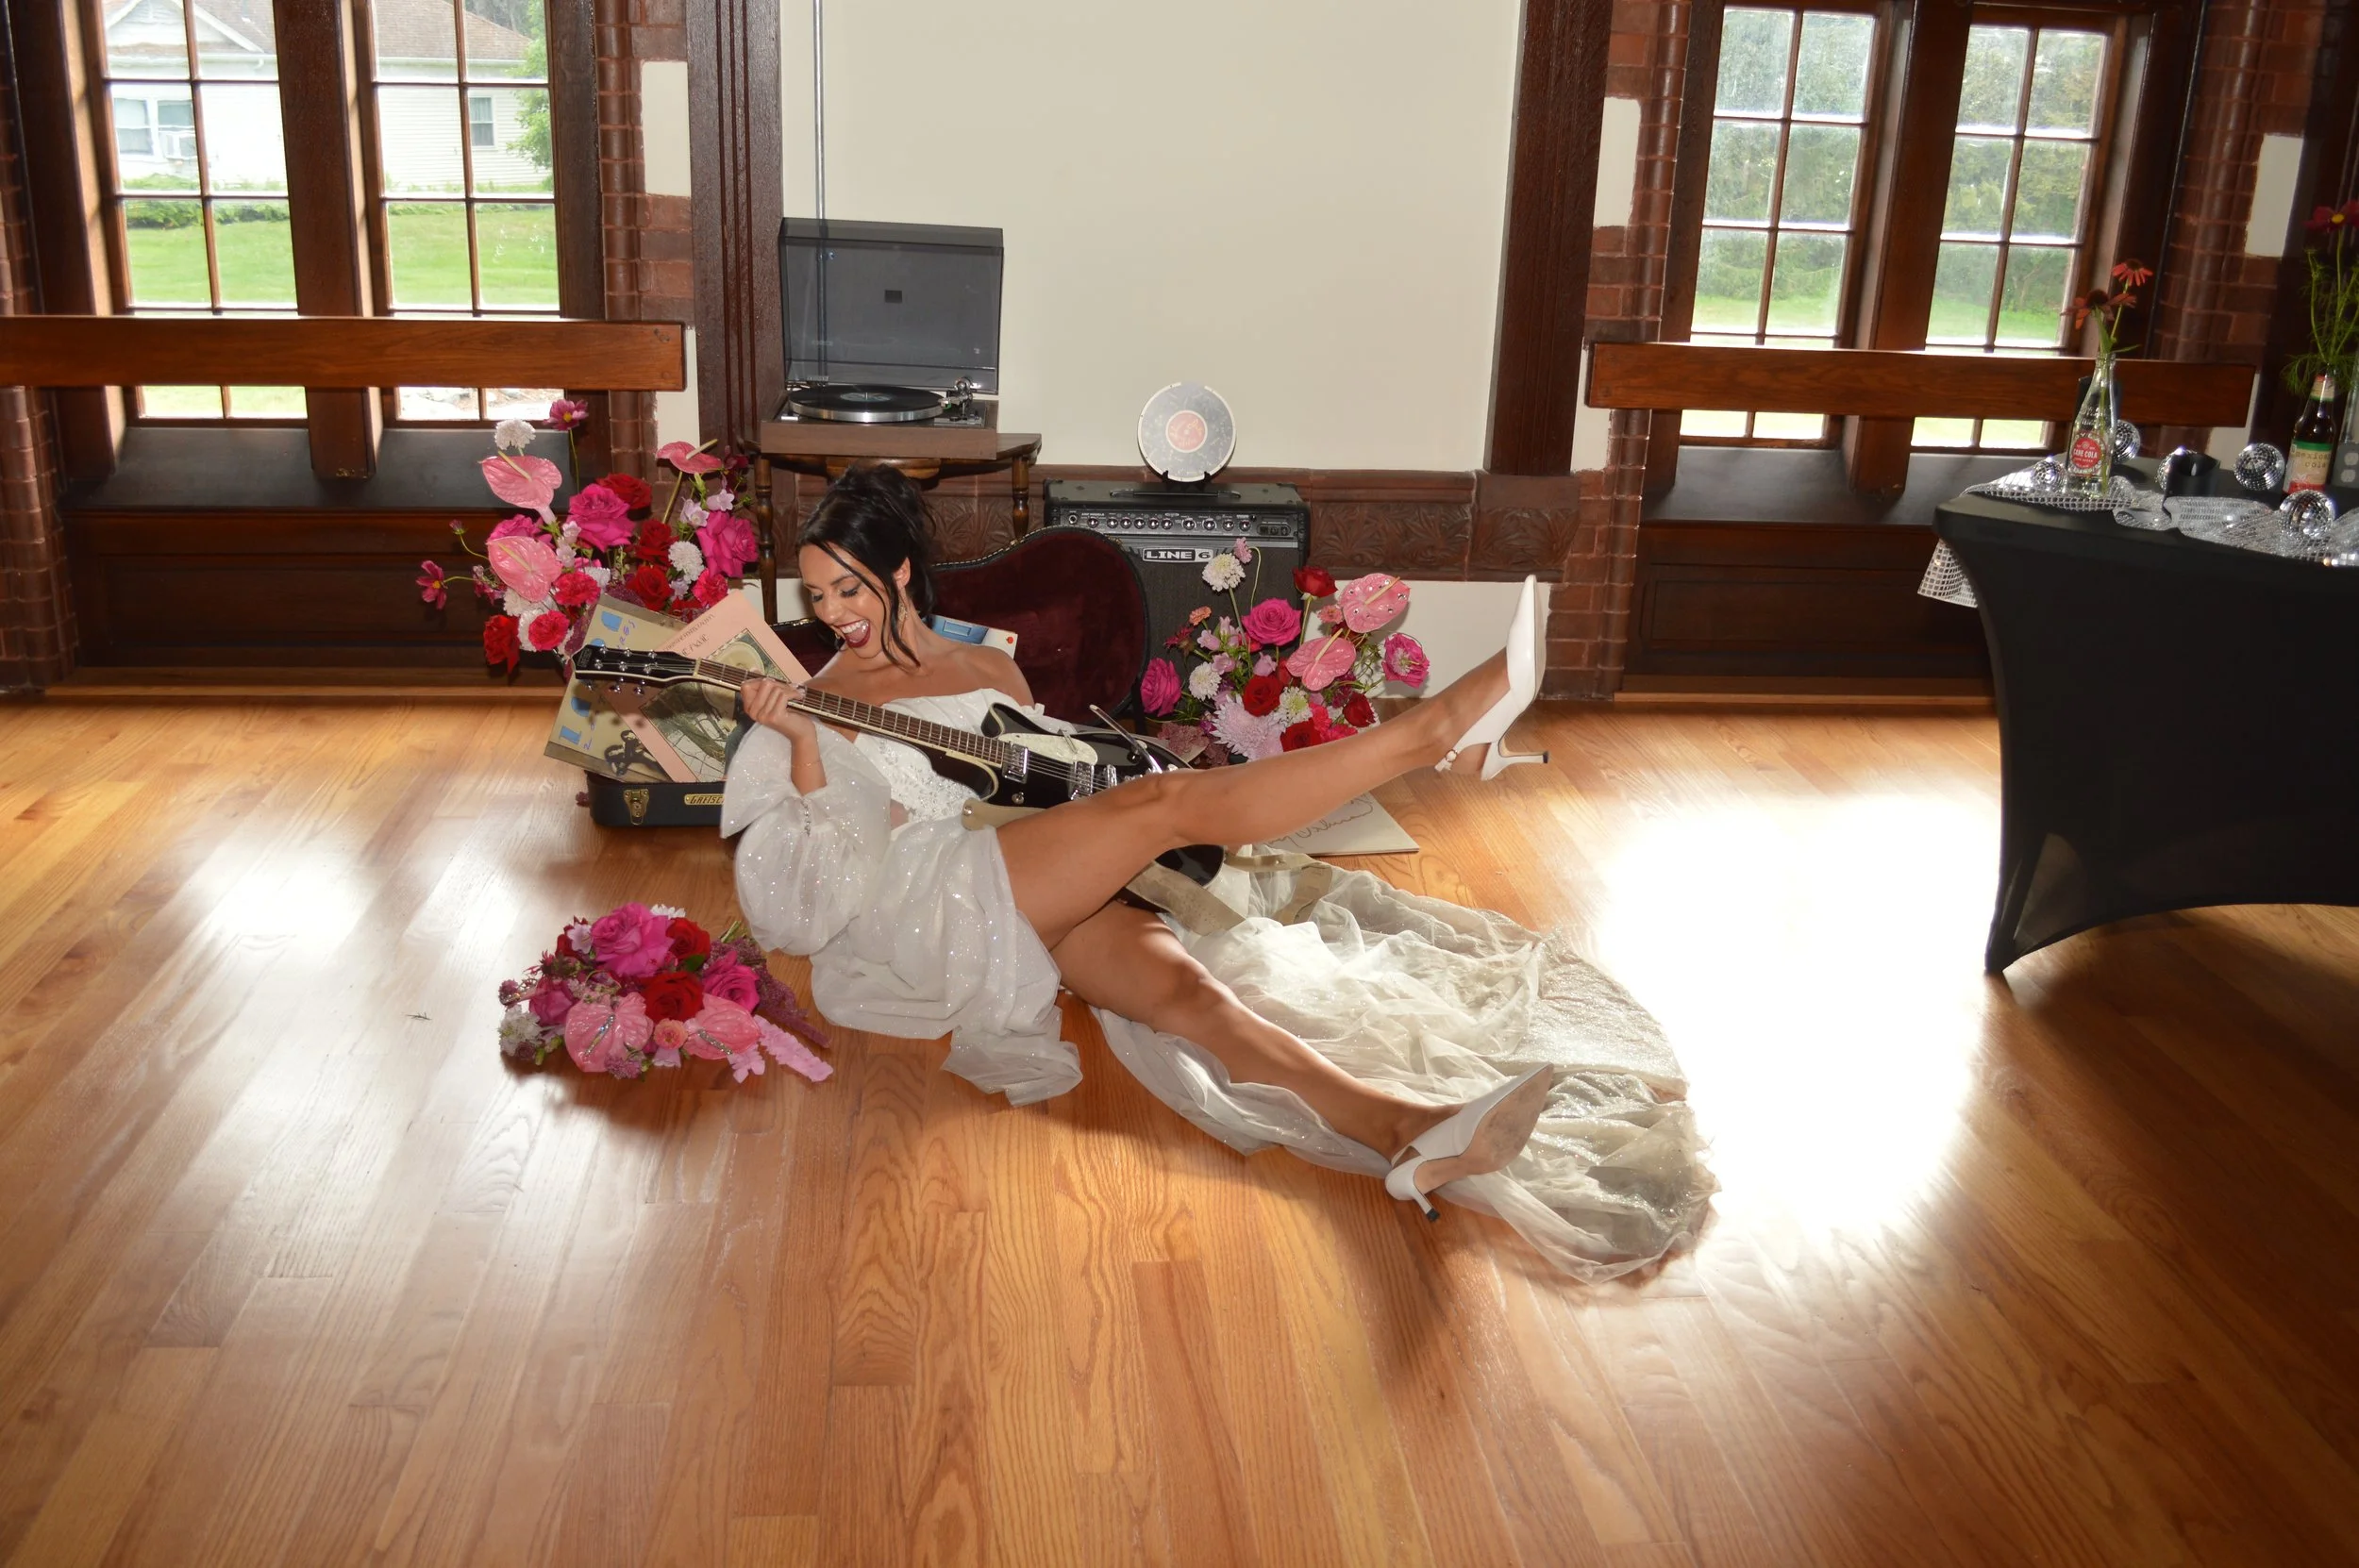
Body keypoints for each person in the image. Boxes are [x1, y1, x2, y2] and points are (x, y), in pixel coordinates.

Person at [726, 468, 1712, 1273]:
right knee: (1164, 810)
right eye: (816, 594)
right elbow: (800, 900)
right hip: (927, 896)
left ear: (898, 572)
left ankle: (1404, 1132)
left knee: (1189, 993)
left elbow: (1042, 769)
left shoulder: (986, 666)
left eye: (848, 586)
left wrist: (1102, 797)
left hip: (1029, 864)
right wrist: (803, 746)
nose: (834, 611)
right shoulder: (816, 696)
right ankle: (1428, 736)